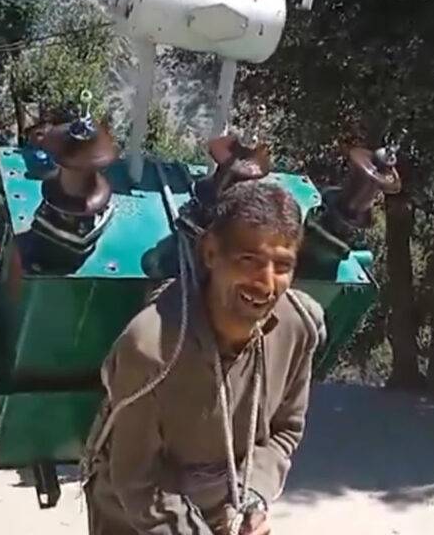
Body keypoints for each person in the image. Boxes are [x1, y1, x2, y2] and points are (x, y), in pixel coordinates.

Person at [83, 180, 326, 535]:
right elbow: (138, 481)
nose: (266, 283)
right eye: (249, 260)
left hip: (224, 513)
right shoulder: (151, 348)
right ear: (211, 253)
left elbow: (284, 432)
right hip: (134, 520)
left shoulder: (298, 327)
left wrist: (252, 500)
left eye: (282, 265)